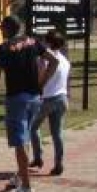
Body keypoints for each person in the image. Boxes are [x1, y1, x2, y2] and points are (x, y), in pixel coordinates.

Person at [0, 16, 59, 192]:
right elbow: (54, 62)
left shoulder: (3, 49)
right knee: (25, 140)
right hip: (34, 99)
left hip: (17, 100)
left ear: (8, 29)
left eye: (2, 28)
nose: (0, 31)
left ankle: (26, 187)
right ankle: (20, 176)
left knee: (19, 143)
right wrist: (41, 83)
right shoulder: (33, 41)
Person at [30, 30, 70, 176]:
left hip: (47, 99)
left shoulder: (45, 60)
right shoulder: (65, 60)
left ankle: (38, 157)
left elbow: (40, 77)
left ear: (48, 43)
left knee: (32, 127)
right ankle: (58, 164)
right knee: (57, 133)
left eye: (44, 41)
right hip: (62, 98)